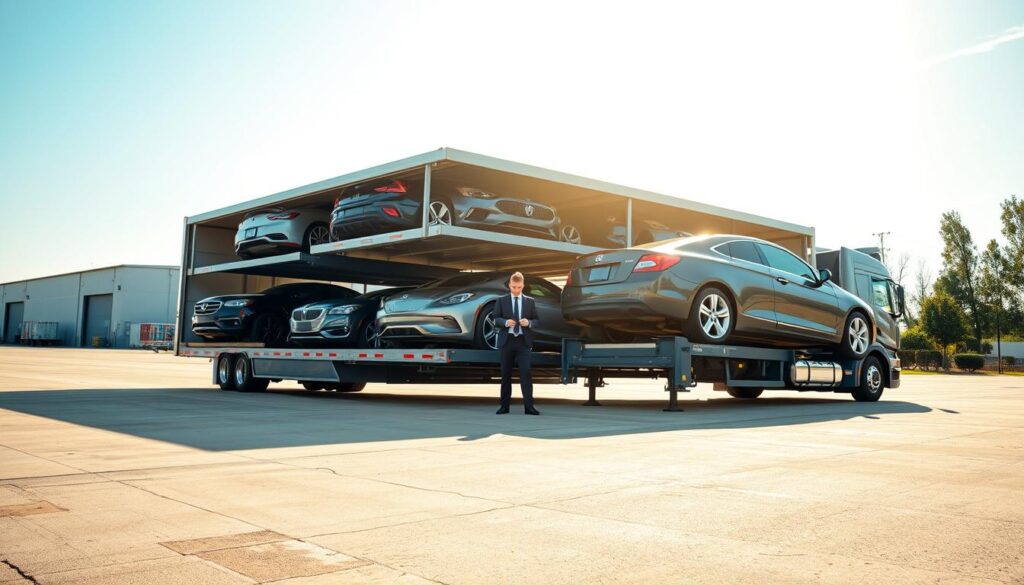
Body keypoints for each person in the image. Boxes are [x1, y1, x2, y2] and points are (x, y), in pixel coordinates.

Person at [492, 272, 541, 415]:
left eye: (519, 287)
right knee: (505, 374)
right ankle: (504, 406)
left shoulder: (529, 301)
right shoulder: (501, 300)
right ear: (509, 285)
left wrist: (530, 323)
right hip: (506, 342)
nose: (516, 290)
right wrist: (505, 322)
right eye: (513, 287)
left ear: (523, 285)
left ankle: (529, 407)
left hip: (523, 342)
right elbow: (495, 318)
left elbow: (537, 320)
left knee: (526, 373)